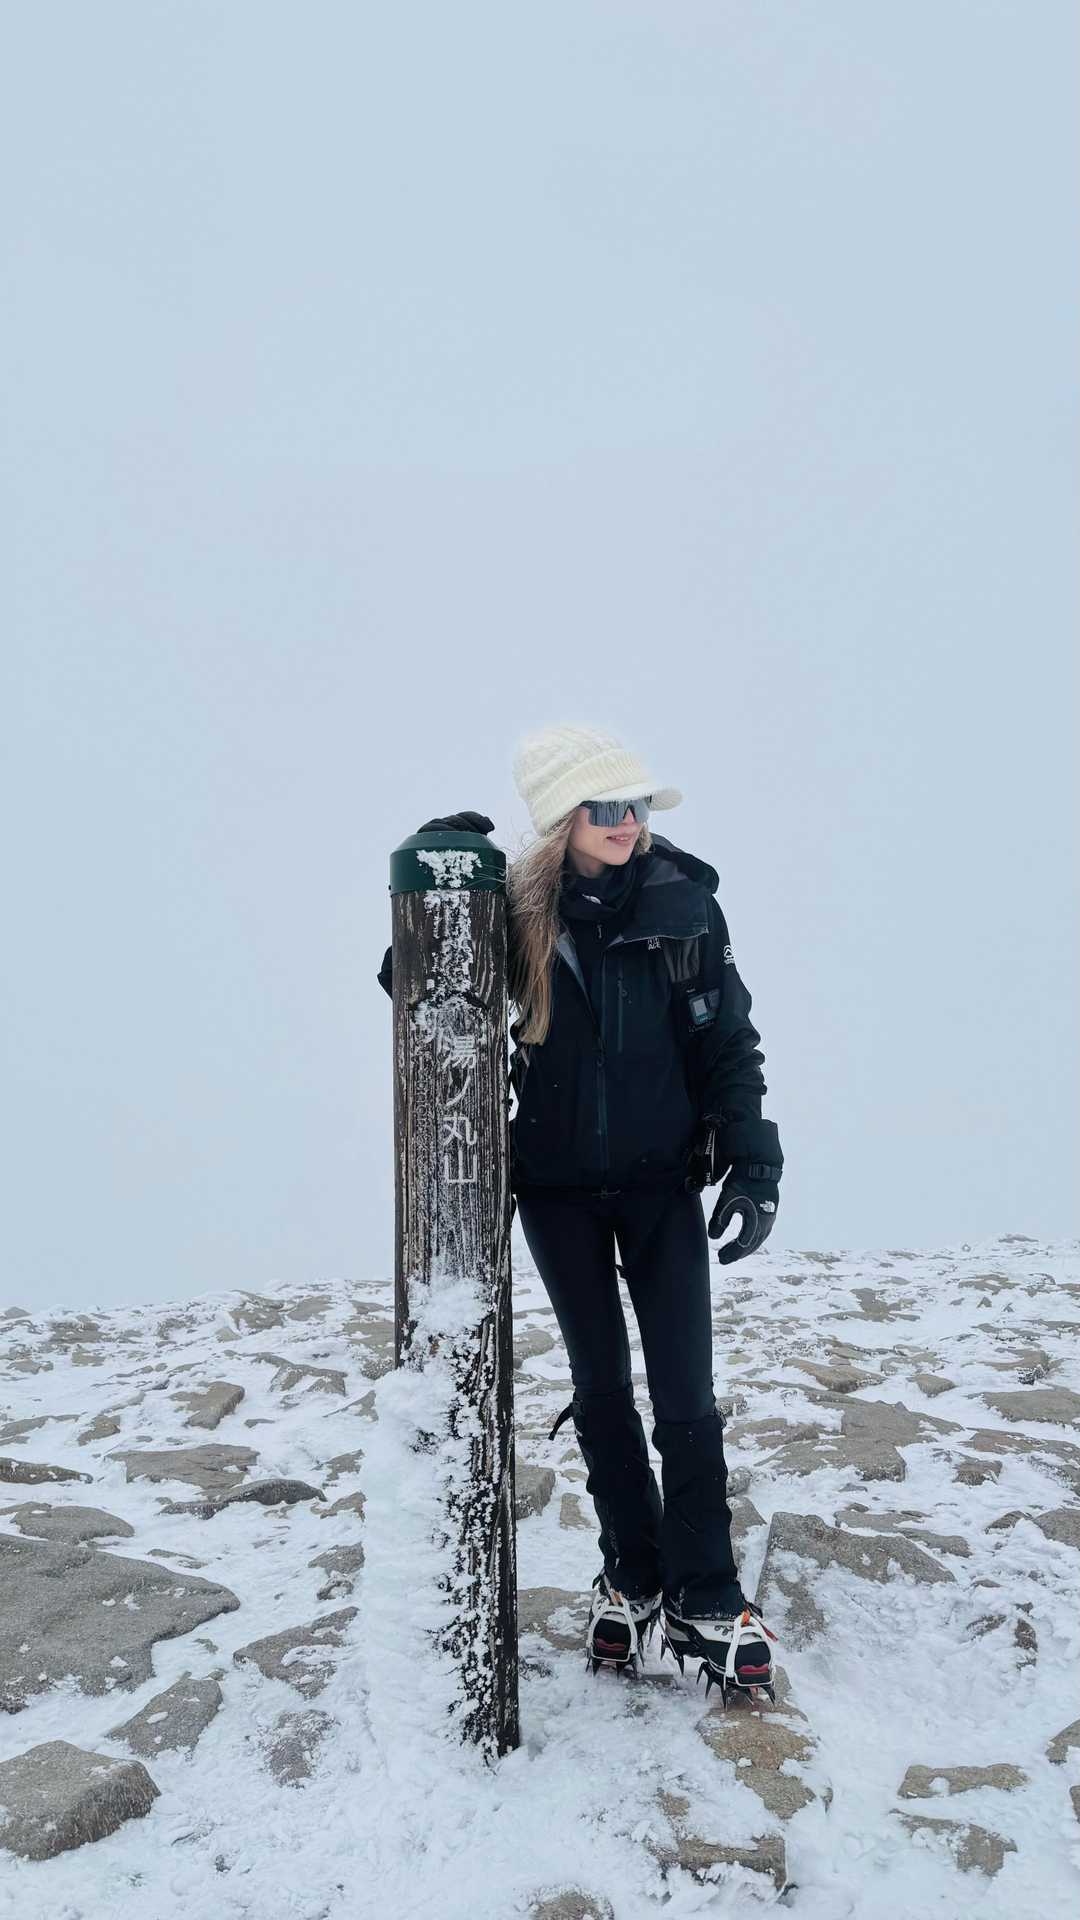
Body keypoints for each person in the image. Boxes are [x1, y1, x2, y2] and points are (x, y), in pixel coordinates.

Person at [378, 723, 783, 1701]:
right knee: (601, 1389)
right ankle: (632, 1574)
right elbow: (420, 989)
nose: (625, 822)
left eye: (634, 804)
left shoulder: (684, 907)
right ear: (562, 819)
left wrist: (754, 1162)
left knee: (685, 1396)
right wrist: (439, 882)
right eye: (604, 807)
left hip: (660, 1187)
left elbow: (729, 1042)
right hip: (557, 1195)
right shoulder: (517, 913)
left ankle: (707, 1593)